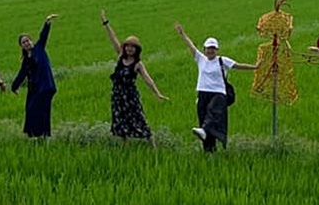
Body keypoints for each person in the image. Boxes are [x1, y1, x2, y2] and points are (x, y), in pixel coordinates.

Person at [174, 23, 260, 152]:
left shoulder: (222, 60)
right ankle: (209, 151)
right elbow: (190, 46)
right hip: (203, 93)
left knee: (212, 113)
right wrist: (182, 34)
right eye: (208, 48)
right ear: (204, 49)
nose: (210, 51)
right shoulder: (200, 59)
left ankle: (204, 131)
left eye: (213, 48)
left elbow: (238, 66)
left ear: (217, 50)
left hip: (218, 93)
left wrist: (254, 67)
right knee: (203, 120)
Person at [100, 9, 167, 145]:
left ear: (137, 50)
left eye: (132, 47)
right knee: (120, 120)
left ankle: (151, 143)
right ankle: (125, 145)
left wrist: (157, 93)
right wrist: (105, 23)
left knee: (138, 118)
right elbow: (113, 38)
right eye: (127, 46)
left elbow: (148, 79)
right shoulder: (120, 56)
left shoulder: (137, 64)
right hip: (118, 95)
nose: (129, 49)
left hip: (130, 96)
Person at [11, 14, 58, 138]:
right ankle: (35, 135)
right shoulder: (26, 61)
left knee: (43, 112)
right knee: (31, 110)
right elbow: (21, 75)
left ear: (31, 41)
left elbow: (43, 36)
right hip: (35, 89)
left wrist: (47, 22)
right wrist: (14, 87)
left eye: (27, 41)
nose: (26, 43)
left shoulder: (39, 48)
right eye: (23, 42)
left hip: (46, 87)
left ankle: (46, 135)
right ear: (21, 46)